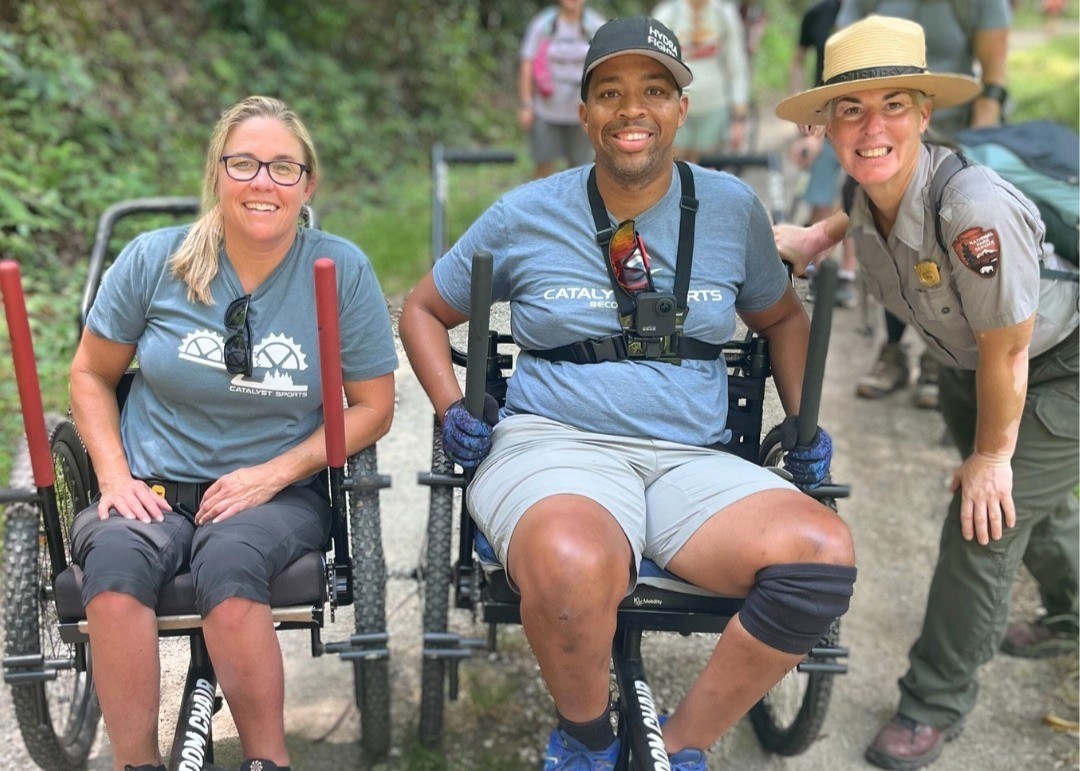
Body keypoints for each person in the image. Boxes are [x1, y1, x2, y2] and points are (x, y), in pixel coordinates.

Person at [400, 16, 857, 770]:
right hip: (554, 444)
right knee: (573, 562)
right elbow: (422, 309)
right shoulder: (525, 213)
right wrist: (453, 407)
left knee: (822, 555)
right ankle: (585, 739)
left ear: (681, 108)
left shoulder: (731, 209)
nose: (632, 109)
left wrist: (806, 421)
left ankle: (675, 746)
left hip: (691, 459)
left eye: (654, 90)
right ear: (583, 114)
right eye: (609, 92)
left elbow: (781, 317)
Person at [774, 16, 1079, 769]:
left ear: (924, 113)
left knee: (984, 520)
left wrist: (992, 457)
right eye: (850, 109)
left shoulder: (973, 211)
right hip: (972, 366)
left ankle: (932, 703)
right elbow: (861, 210)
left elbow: (1010, 349)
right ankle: (1072, 615)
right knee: (1030, 500)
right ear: (828, 124)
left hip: (1058, 363)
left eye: (893, 106)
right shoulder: (868, 183)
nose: (871, 128)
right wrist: (817, 237)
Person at [67, 95, 398, 771]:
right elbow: (90, 374)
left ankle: (266, 761)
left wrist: (272, 474)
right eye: (244, 163)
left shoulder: (340, 271)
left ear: (308, 184)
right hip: (153, 485)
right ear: (217, 173)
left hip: (275, 495)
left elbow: (372, 407)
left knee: (229, 563)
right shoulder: (153, 261)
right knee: (115, 564)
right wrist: (114, 476)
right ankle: (136, 762)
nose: (262, 182)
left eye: (283, 167)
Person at [837, 0, 1012, 407]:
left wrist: (974, 155)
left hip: (956, 136)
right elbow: (844, 54)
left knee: (946, 240)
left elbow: (993, 80)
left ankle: (943, 356)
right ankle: (894, 348)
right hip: (882, 134)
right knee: (888, 237)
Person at [787, 0, 858, 308]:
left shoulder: (874, 9)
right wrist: (801, 105)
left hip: (861, 113)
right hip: (825, 113)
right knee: (821, 195)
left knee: (856, 193)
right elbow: (798, 60)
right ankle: (818, 265)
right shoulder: (817, 14)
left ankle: (847, 272)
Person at [651, 0, 751, 160]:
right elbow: (654, 69)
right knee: (675, 164)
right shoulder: (667, 15)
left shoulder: (724, 14)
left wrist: (739, 119)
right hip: (675, 107)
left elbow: (737, 68)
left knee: (705, 167)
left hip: (713, 107)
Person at [519, 0, 607, 179]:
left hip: (583, 114)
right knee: (543, 168)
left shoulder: (595, 25)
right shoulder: (543, 24)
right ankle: (543, 198)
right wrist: (526, 104)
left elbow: (607, 66)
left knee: (581, 170)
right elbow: (527, 64)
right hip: (546, 112)